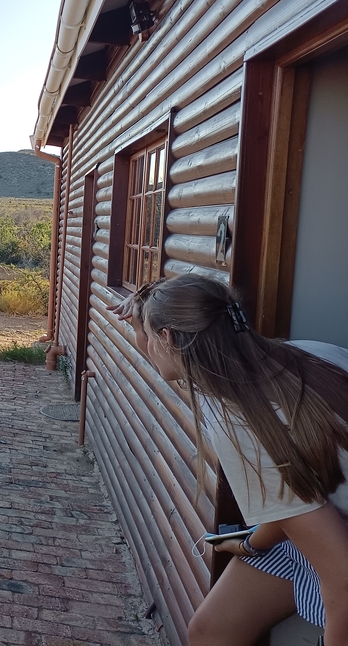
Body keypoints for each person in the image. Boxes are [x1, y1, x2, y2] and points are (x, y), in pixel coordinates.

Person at [117, 273, 348, 646]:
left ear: (167, 338)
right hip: (324, 526)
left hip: (339, 555)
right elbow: (294, 503)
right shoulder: (303, 354)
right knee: (212, 631)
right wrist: (250, 543)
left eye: (145, 333)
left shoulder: (242, 425)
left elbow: (343, 577)